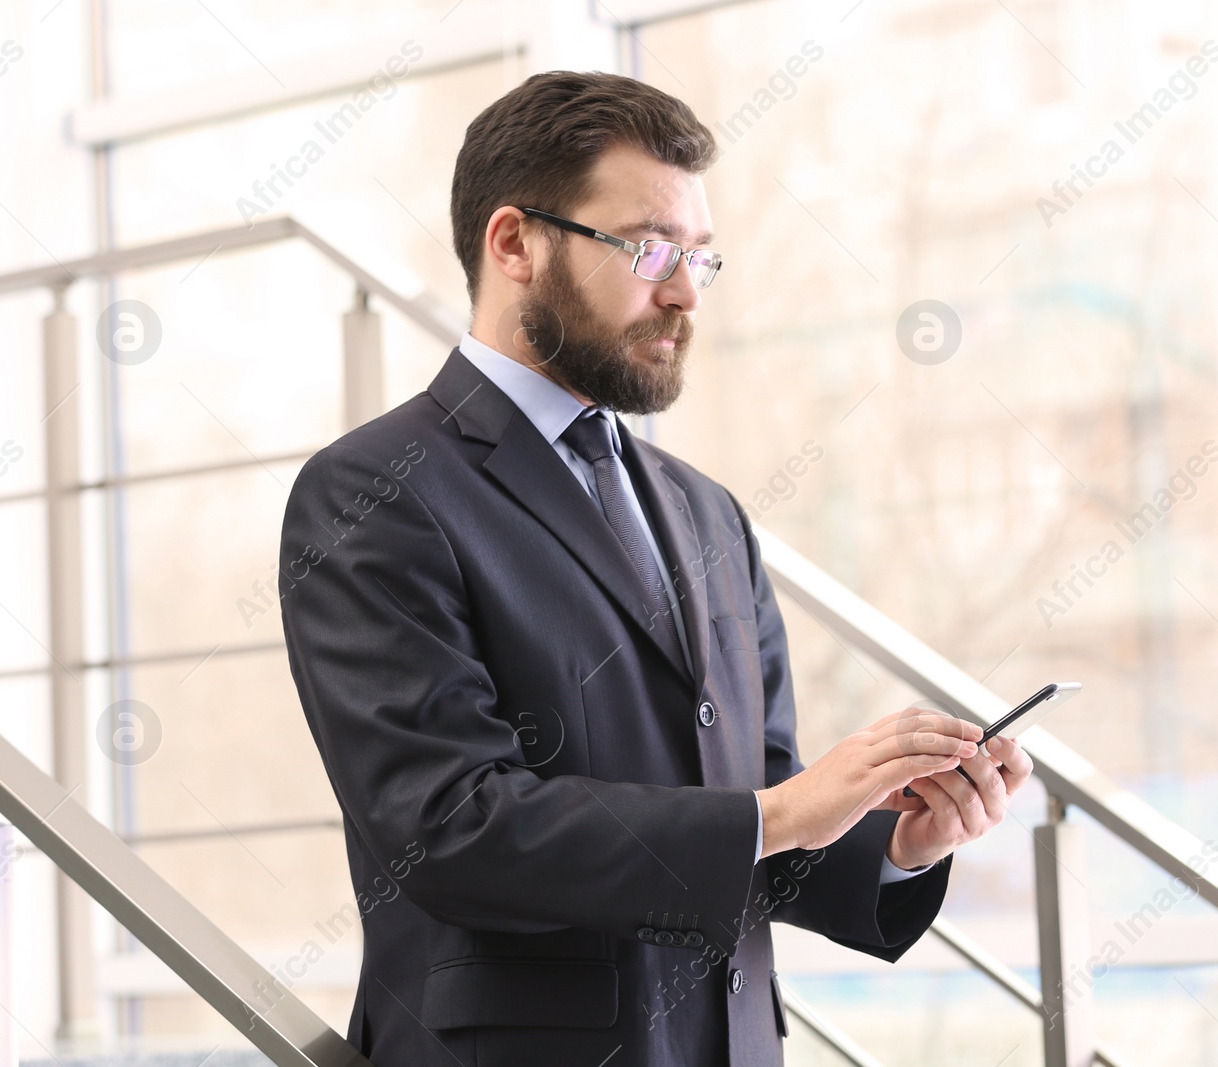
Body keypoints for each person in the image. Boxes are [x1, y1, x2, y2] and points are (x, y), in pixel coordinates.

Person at [279, 69, 1034, 1067]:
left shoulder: (702, 506)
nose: (682, 290)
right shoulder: (375, 489)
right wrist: (777, 812)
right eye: (649, 249)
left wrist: (894, 843)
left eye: (701, 259)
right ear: (515, 243)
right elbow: (448, 824)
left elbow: (750, 799)